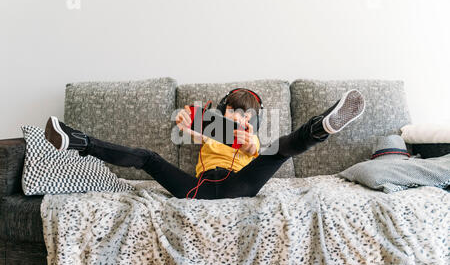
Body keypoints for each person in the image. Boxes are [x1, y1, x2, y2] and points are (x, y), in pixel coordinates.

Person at [44, 89, 365, 200]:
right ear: (224, 111)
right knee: (147, 158)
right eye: (233, 111)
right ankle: (77, 140)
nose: (239, 117)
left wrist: (244, 138)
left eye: (245, 115)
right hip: (197, 190)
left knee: (276, 150)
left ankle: (321, 126)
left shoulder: (248, 135)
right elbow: (191, 130)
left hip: (241, 185)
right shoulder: (211, 127)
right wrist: (188, 121)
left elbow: (253, 149)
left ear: (252, 118)